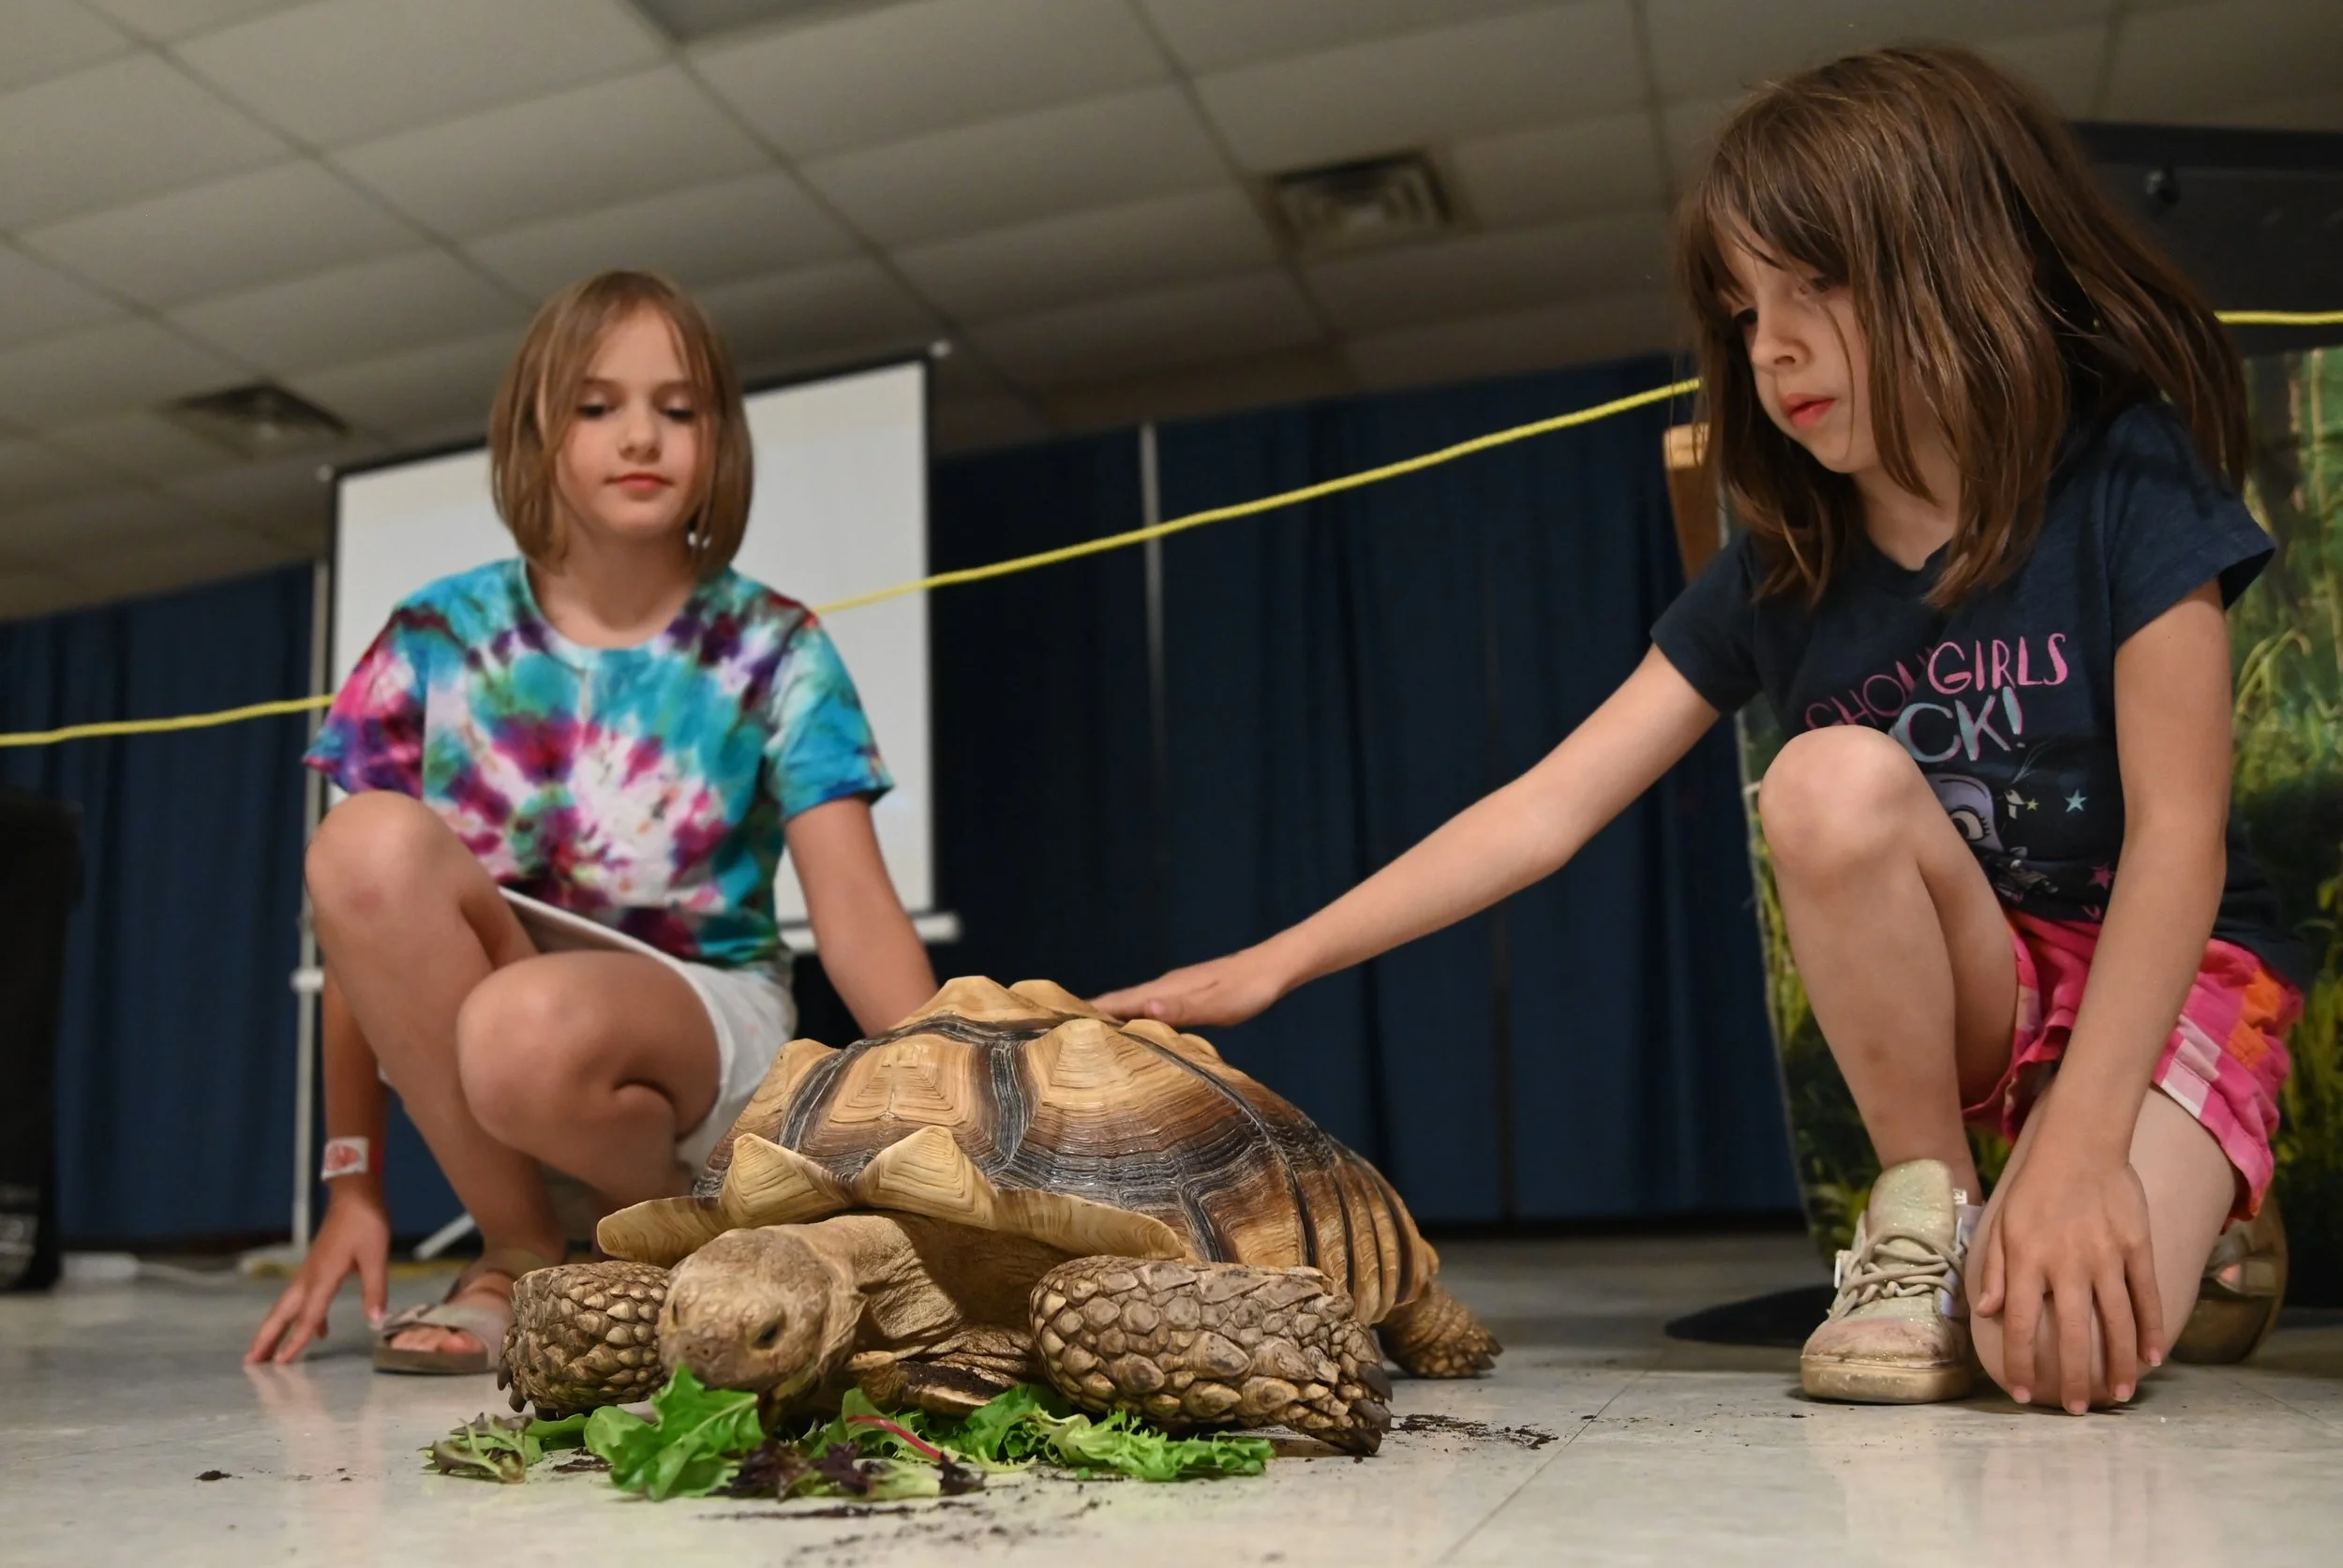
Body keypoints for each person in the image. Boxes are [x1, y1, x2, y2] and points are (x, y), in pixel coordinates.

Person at [1096, 45, 2301, 1416]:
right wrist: (1274, 962)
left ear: (1963, 258)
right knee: (1825, 783)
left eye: (1815, 286)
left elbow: (2180, 842)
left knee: (2062, 1346)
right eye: (1740, 309)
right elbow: (1544, 811)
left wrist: (2087, 1147)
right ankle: (1935, 1209)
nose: (1769, 344)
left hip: (2175, 967)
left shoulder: (2126, 475)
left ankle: (2205, 1223)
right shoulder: (1783, 560)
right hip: (1990, 978)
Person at [247, 272, 936, 1371]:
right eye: (597, 405)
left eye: (678, 408)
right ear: (537, 429)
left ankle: (688, 1233)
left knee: (522, 1022)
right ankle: (519, 1245)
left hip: (706, 1034)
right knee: (361, 845)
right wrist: (351, 1183)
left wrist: (980, 1144)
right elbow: (355, 928)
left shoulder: (775, 643)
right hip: (501, 1049)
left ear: (718, 437)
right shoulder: (433, 635)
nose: (641, 438)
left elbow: (856, 920)